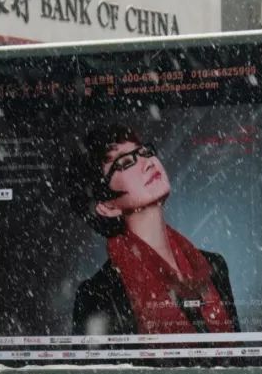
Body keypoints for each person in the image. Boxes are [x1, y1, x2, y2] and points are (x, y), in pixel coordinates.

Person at [71, 124, 240, 336]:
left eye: (144, 151)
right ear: (107, 206)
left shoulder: (213, 267)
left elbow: (238, 361)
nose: (147, 162)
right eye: (124, 162)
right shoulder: (98, 294)